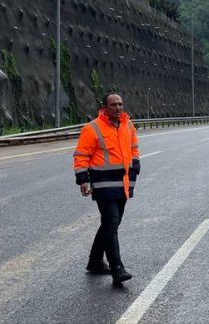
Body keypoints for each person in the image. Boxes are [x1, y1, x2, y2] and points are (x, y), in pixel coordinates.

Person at [73, 93, 141, 286]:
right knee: (111, 223)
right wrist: (83, 180)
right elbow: (81, 155)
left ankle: (95, 261)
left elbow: (134, 148)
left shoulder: (128, 125)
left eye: (120, 104)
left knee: (111, 224)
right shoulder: (92, 128)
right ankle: (117, 269)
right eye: (113, 105)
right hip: (103, 185)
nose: (118, 108)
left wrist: (135, 166)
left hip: (124, 184)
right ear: (104, 107)